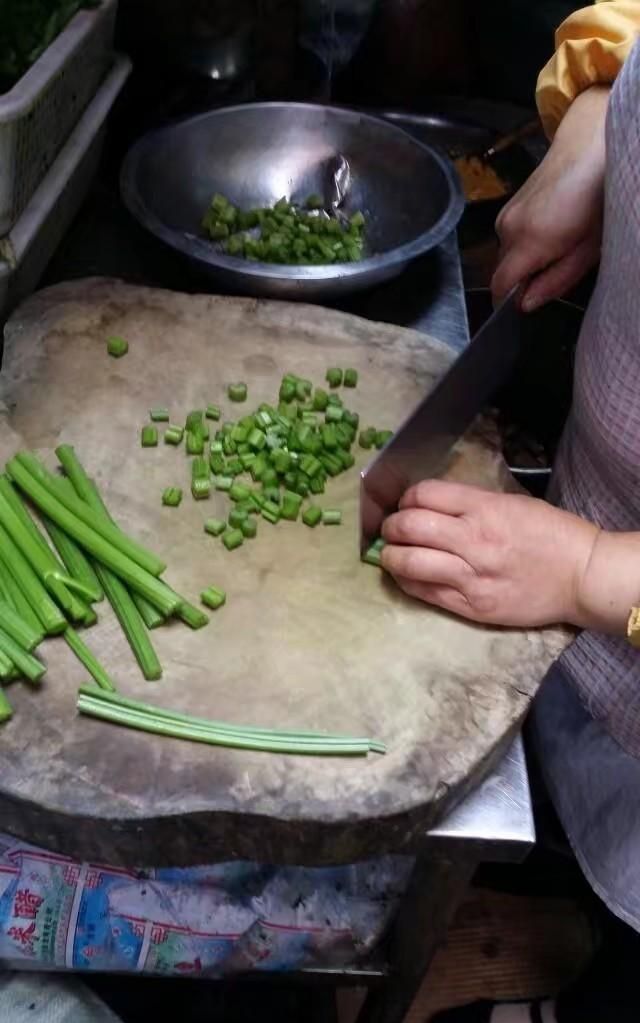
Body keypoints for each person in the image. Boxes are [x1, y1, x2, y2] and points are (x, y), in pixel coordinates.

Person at [380, 3, 640, 1022]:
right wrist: (602, 110)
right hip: (600, 516)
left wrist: (591, 575)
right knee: (585, 768)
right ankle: (565, 870)